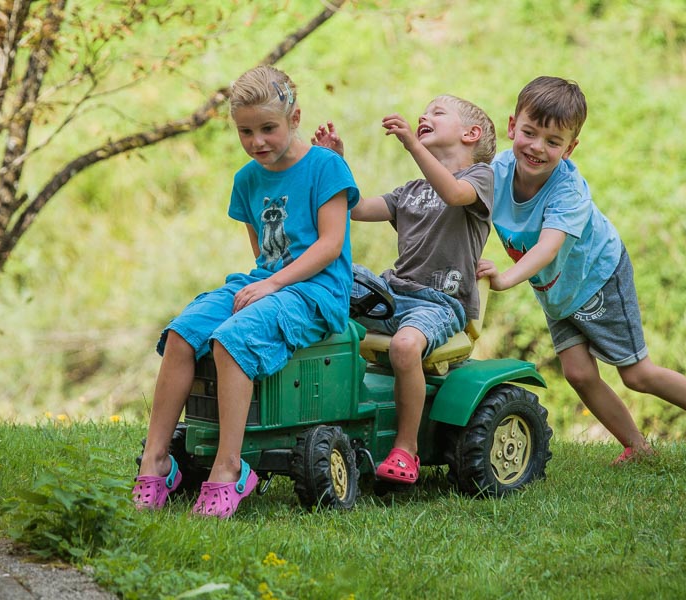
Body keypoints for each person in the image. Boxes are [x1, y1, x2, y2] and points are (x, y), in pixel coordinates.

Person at [476, 76, 686, 465]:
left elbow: (548, 247)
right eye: (529, 133)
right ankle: (638, 447)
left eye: (553, 142)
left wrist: (504, 278)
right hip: (556, 287)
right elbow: (465, 204)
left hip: (598, 278)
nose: (537, 147)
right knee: (578, 373)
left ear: (570, 148)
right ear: (511, 127)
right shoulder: (496, 171)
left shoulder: (567, 191)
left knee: (636, 374)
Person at [133, 66, 360, 517]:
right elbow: (264, 254)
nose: (258, 142)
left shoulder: (324, 166)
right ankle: (156, 461)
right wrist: (267, 282)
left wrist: (273, 284)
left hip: (317, 290)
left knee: (232, 339)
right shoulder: (247, 179)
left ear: (294, 118)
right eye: (246, 132)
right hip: (267, 281)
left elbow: (331, 245)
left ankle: (229, 468)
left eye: (268, 129)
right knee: (183, 333)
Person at [312, 95, 496, 484]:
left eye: (437, 112)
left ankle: (405, 449)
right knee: (325, 292)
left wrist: (412, 143)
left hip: (441, 303)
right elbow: (356, 208)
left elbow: (453, 194)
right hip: (392, 291)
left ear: (471, 134)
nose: (425, 115)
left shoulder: (480, 179)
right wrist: (336, 163)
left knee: (404, 346)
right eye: (424, 112)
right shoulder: (410, 191)